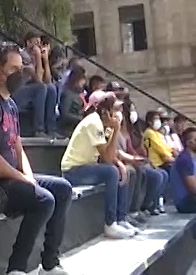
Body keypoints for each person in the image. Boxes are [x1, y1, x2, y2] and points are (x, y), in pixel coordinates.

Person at [0, 42, 72, 275]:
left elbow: (18, 147)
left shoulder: (10, 104)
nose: (20, 74)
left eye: (21, 68)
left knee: (62, 189)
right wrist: (22, 179)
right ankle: (16, 269)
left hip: (9, 178)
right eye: (14, 69)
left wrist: (29, 177)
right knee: (44, 200)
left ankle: (50, 264)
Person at [60, 91, 136, 239]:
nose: (118, 114)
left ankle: (121, 219)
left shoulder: (104, 125)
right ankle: (110, 224)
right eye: (115, 110)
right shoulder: (93, 123)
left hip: (86, 167)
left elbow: (110, 153)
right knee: (111, 172)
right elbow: (107, 158)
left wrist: (120, 164)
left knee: (122, 170)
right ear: (105, 111)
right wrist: (117, 129)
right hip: (73, 171)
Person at [118, 105, 166, 218]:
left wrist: (141, 158)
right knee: (153, 175)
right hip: (126, 163)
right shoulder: (115, 132)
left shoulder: (130, 132)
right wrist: (135, 159)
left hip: (136, 161)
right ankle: (137, 208)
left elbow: (132, 150)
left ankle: (152, 205)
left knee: (162, 174)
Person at [12, 32, 59, 139]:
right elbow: (38, 80)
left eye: (40, 43)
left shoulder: (35, 57)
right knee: (41, 88)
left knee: (51, 88)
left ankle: (51, 129)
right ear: (28, 43)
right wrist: (38, 57)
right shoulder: (23, 55)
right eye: (36, 43)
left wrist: (45, 60)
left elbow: (47, 80)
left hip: (31, 90)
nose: (39, 46)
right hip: (17, 91)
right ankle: (39, 129)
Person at [171, 127, 196, 213]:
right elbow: (193, 189)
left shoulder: (192, 158)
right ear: (189, 143)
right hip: (185, 202)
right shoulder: (185, 159)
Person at [143, 110, 175, 175]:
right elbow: (159, 147)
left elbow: (165, 146)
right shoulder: (149, 132)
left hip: (162, 161)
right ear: (149, 122)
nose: (158, 121)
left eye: (158, 119)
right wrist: (170, 157)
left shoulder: (156, 132)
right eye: (155, 119)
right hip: (156, 162)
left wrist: (171, 152)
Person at [58, 65, 86, 134]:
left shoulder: (78, 94)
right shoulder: (67, 94)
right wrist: (80, 119)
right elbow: (65, 114)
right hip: (67, 130)